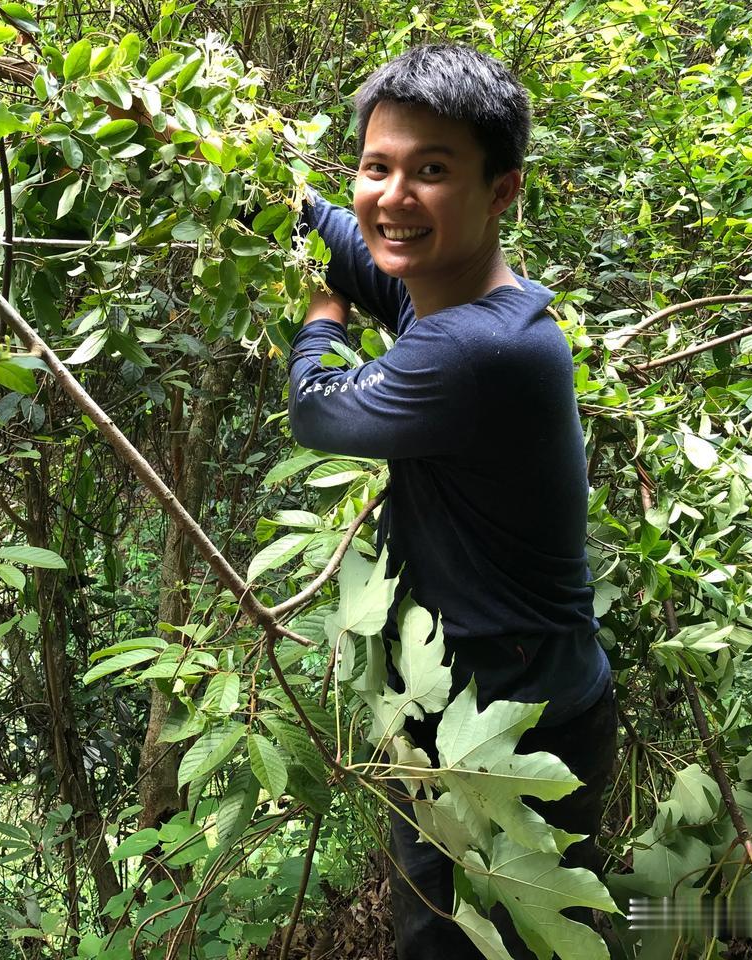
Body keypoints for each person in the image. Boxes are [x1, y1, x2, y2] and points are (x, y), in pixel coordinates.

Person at [284, 44, 618, 959]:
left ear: (502, 190)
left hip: (513, 716)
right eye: (377, 167)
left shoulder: (475, 349)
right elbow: (347, 239)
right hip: (476, 694)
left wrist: (322, 311)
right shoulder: (452, 292)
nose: (395, 196)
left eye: (432, 171)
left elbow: (316, 413)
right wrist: (257, 184)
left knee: (460, 945)